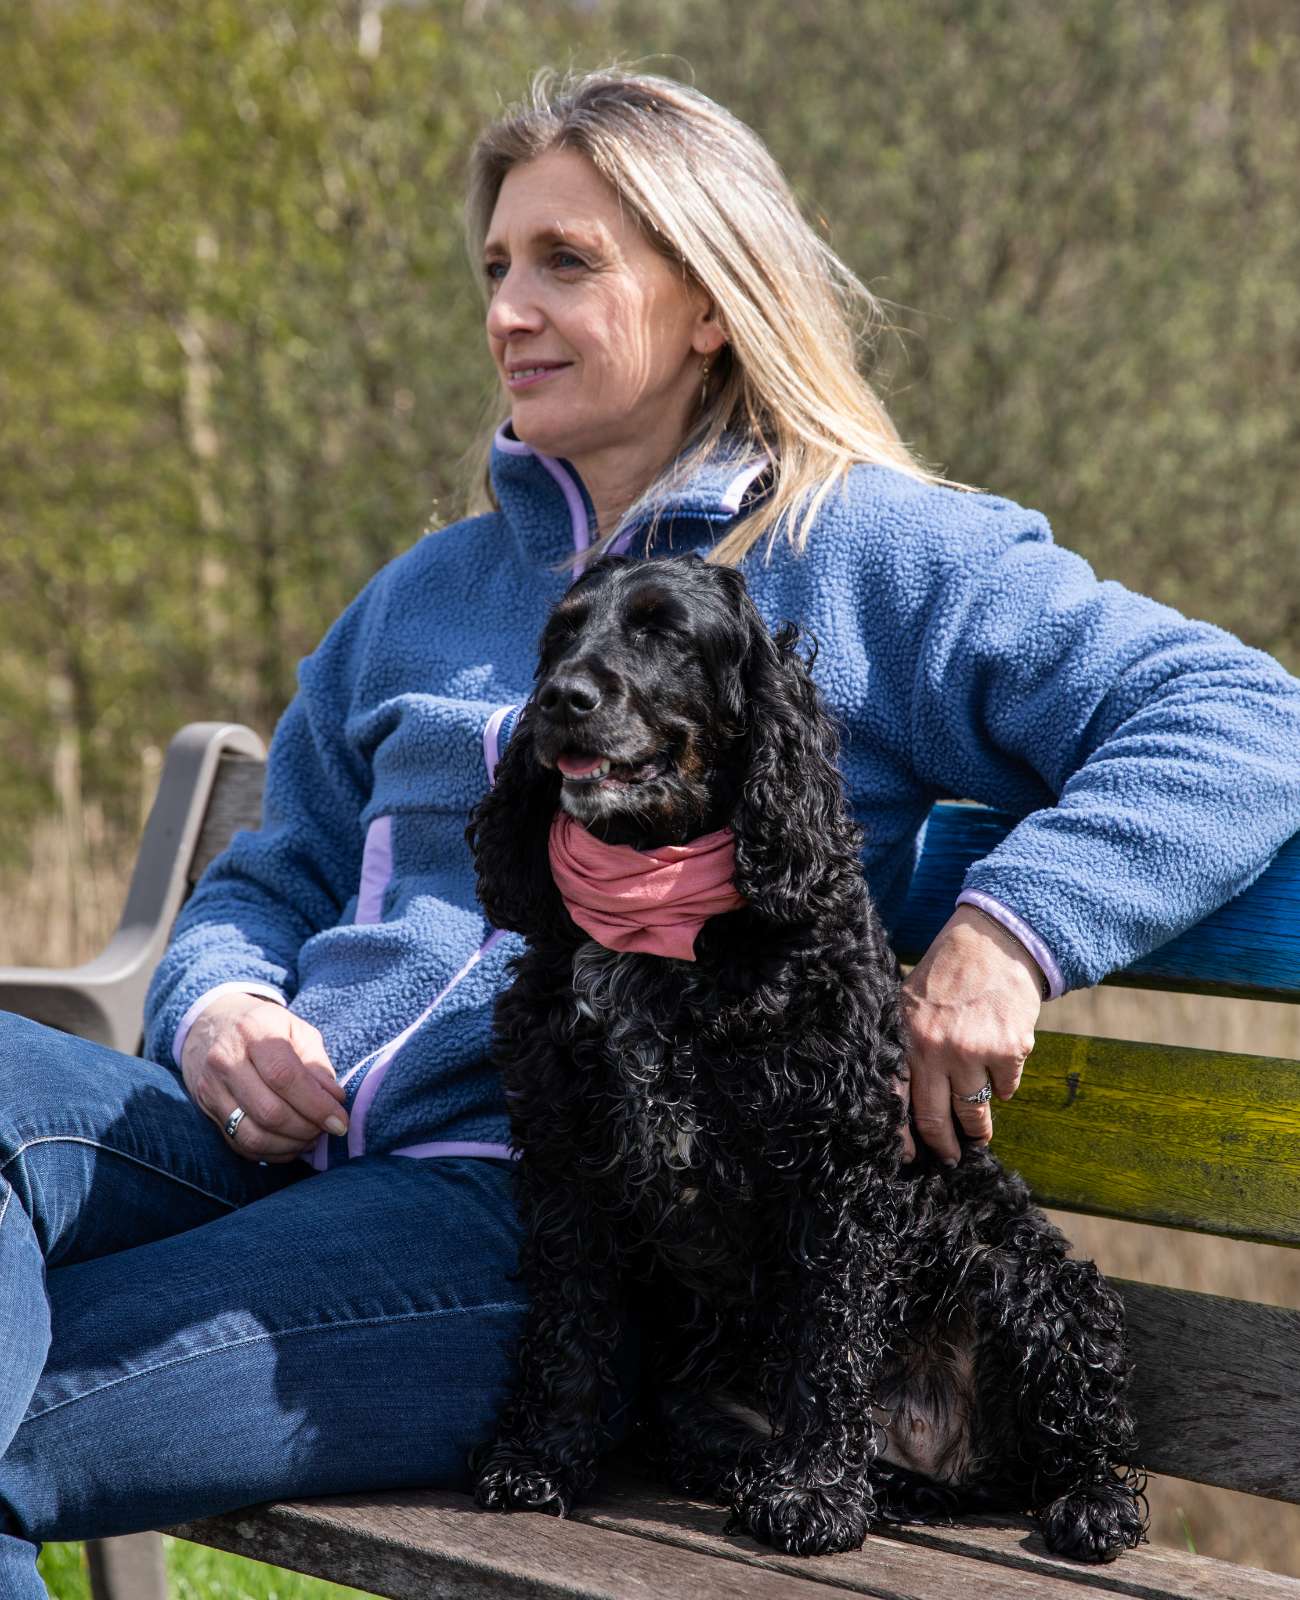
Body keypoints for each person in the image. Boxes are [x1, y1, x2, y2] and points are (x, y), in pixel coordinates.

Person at [1, 68, 1297, 1592]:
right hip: (258, 1144)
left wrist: (1010, 935)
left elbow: (1241, 713)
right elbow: (271, 871)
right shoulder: (420, 596)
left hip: (531, 1210)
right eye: (495, 267)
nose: (508, 310)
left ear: (708, 300)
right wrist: (219, 1002)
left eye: (567, 261)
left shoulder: (870, 551)